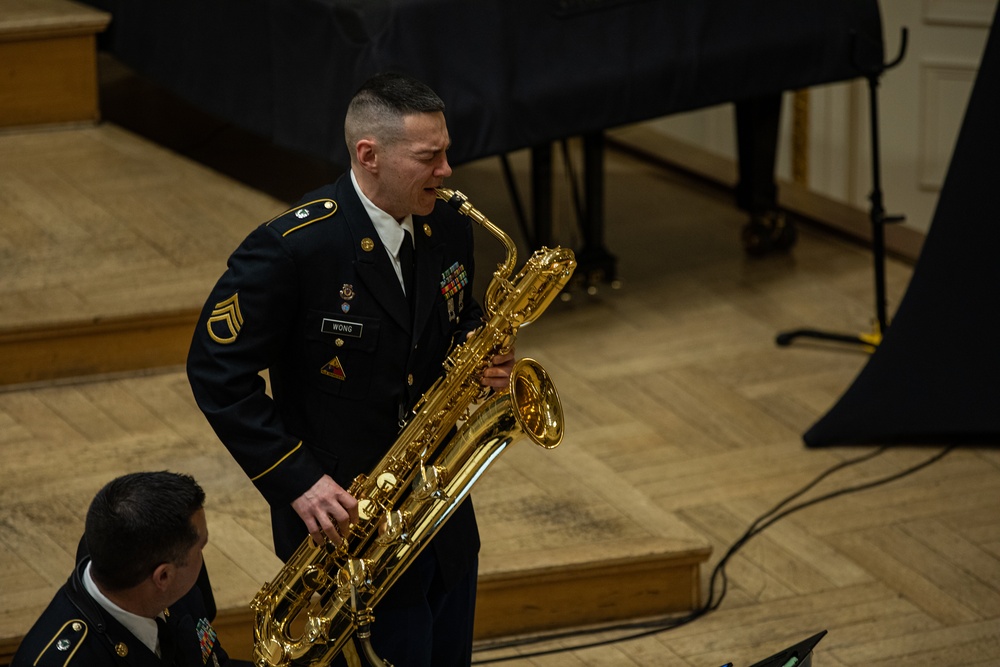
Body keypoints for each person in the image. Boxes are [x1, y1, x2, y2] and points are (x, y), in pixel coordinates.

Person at [186, 71, 514, 666]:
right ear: (369, 155)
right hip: (345, 526)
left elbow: (456, 313)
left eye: (446, 151)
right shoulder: (293, 248)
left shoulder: (448, 224)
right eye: (429, 156)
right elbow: (216, 370)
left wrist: (479, 351)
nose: (447, 170)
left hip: (439, 507)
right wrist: (297, 482)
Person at [12, 471, 247, 667]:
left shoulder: (130, 558)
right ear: (163, 576)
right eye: (201, 547)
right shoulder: (66, 660)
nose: (202, 554)